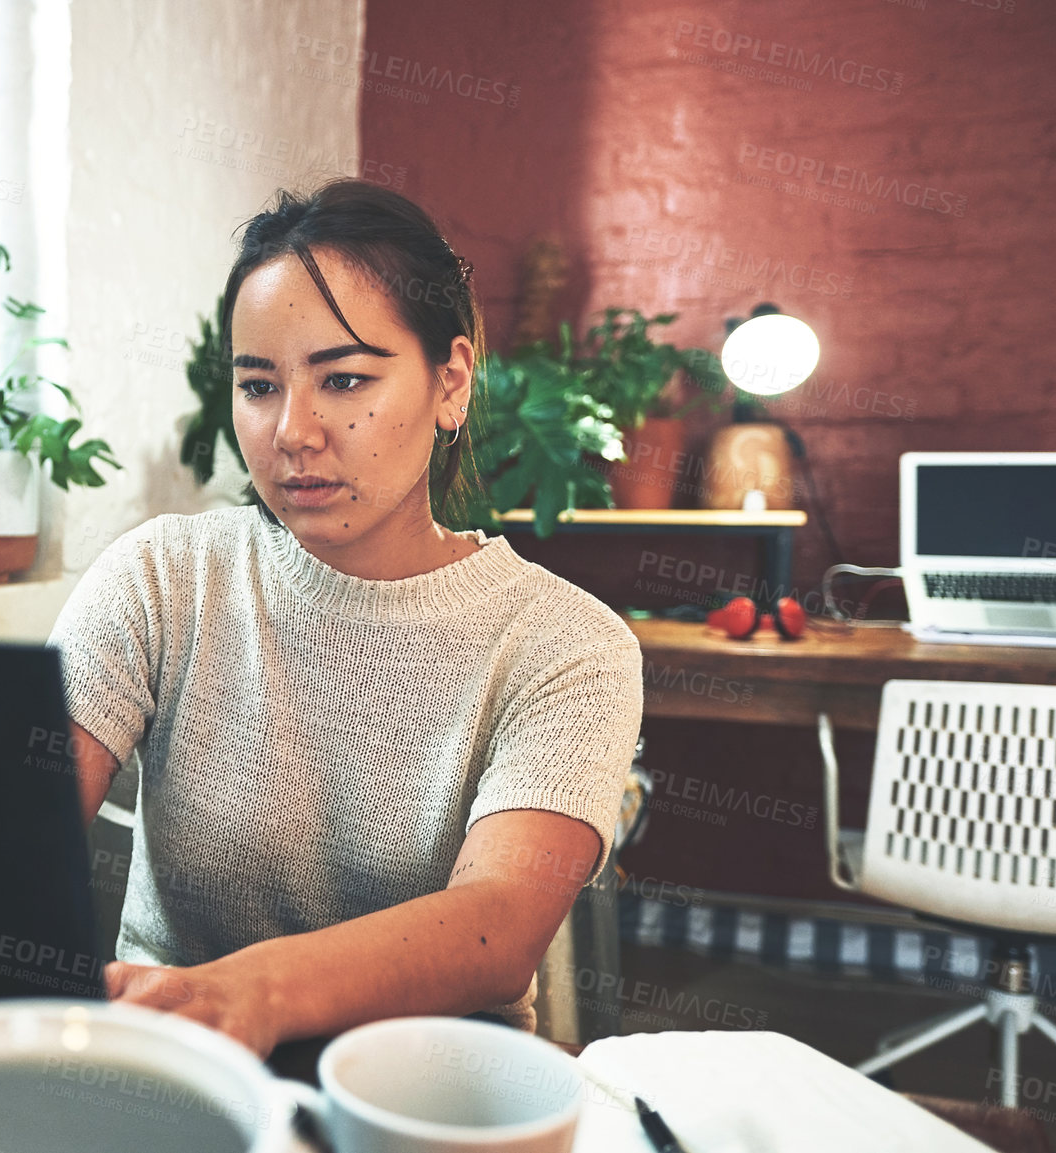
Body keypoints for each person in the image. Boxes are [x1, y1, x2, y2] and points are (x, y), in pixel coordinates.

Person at [46, 178, 643, 1059]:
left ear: (451, 382)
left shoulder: (566, 644)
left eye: (346, 378)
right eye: (258, 385)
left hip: (431, 1095)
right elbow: (16, 826)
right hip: (172, 1075)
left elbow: (499, 921)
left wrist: (249, 993)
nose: (293, 430)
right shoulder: (163, 579)